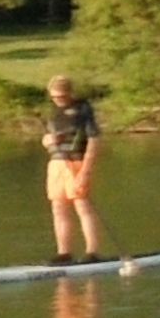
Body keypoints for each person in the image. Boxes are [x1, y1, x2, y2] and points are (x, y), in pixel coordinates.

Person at [40, 73, 108, 260]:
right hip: (56, 163)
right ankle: (64, 253)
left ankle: (92, 252)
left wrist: (85, 171)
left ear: (69, 93)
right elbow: (46, 139)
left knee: (82, 206)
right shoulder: (53, 112)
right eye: (54, 97)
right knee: (58, 207)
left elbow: (94, 140)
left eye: (61, 97)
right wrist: (47, 140)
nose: (58, 100)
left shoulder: (83, 110)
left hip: (76, 161)